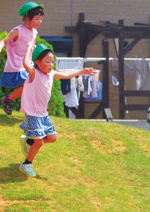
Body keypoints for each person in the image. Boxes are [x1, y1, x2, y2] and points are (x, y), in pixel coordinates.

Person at [18, 42, 94, 177]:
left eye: (52, 62)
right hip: (33, 114)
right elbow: (25, 64)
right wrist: (29, 47)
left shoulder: (51, 74)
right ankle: (26, 164)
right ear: (38, 62)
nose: (50, 65)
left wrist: (82, 72)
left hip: (43, 115)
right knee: (39, 142)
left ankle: (29, 141)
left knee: (52, 138)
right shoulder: (34, 73)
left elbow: (66, 75)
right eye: (47, 62)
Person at [0, 1, 44, 116]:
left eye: (41, 19)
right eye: (36, 19)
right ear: (27, 17)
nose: (39, 22)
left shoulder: (34, 32)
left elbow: (30, 47)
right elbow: (4, 41)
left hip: (28, 64)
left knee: (30, 85)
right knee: (28, 84)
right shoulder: (17, 31)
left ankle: (9, 100)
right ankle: (14, 102)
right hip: (16, 65)